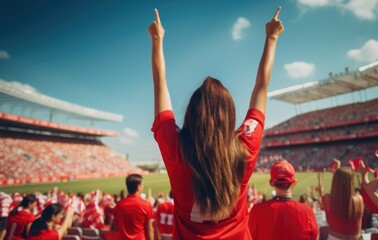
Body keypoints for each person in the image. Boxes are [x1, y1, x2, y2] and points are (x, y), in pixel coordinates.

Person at [150, 5, 284, 239]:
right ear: (229, 116)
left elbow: (160, 84)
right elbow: (262, 86)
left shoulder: (175, 147)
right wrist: (271, 38)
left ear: (192, 114)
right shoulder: (244, 148)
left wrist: (157, 40)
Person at [249, 161, 318, 240]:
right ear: (294, 183)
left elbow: (249, 236)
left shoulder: (257, 210)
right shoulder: (307, 211)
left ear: (271, 183)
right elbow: (314, 236)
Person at [318, 167, 364, 240]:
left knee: (321, 230)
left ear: (334, 182)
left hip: (334, 238)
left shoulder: (327, 199)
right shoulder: (359, 199)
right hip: (356, 238)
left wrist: (321, 191)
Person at [113, 174, 153, 240]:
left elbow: (115, 226)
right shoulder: (146, 205)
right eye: (142, 184)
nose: (143, 186)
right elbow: (149, 229)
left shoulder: (119, 205)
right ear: (138, 187)